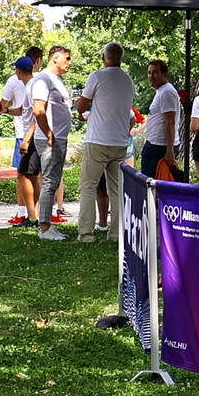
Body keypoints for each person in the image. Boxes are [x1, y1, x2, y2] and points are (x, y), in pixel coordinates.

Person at [74, 43, 136, 245]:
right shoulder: (128, 80)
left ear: (104, 57)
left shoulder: (97, 76)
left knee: (88, 186)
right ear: (121, 58)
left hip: (98, 141)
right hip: (119, 142)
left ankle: (86, 234)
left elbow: (82, 105)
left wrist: (81, 110)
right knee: (116, 190)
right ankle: (116, 233)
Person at [30, 45, 75, 240]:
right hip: (50, 140)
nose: (69, 63)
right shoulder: (43, 79)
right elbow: (38, 110)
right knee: (50, 182)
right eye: (67, 58)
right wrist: (48, 133)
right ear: (55, 58)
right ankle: (45, 228)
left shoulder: (57, 80)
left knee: (53, 181)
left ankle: (47, 224)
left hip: (58, 138)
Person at [2, 56, 39, 227]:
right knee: (31, 175)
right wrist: (6, 110)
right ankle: (34, 215)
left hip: (29, 137)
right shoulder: (30, 85)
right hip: (30, 136)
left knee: (23, 175)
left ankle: (32, 216)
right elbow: (22, 111)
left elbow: (36, 116)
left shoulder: (31, 87)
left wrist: (26, 139)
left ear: (18, 71)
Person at [140, 59, 180, 181]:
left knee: (152, 185)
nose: (151, 76)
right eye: (149, 72)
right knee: (148, 184)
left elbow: (170, 122)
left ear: (164, 74)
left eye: (155, 72)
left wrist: (169, 151)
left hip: (160, 148)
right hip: (155, 146)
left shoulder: (167, 92)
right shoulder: (161, 91)